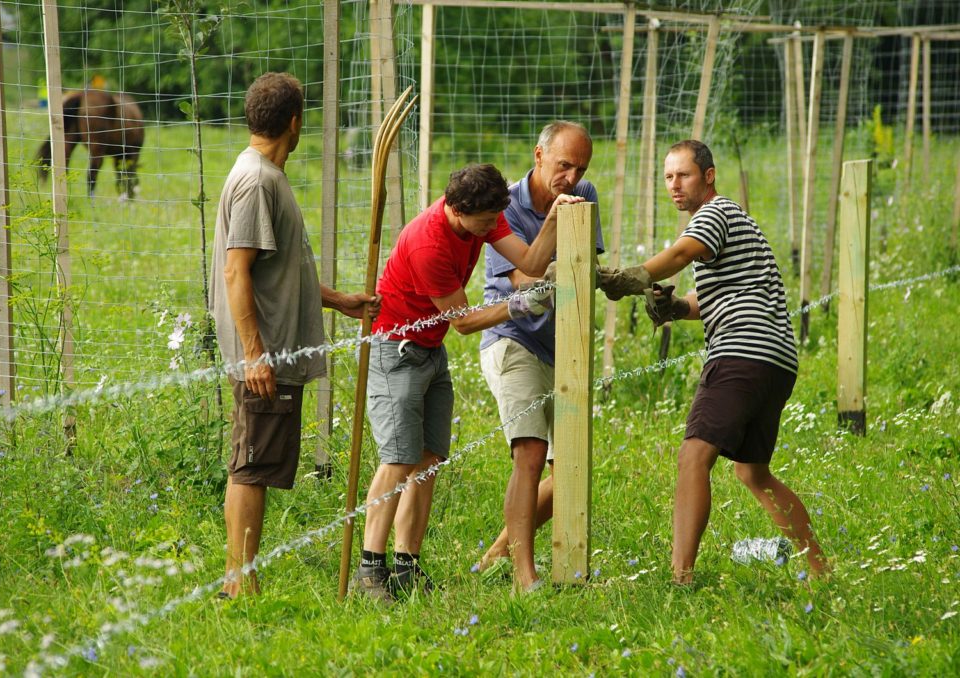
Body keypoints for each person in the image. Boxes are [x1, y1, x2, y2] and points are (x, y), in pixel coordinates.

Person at [352, 163, 584, 602]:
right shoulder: (429, 244)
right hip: (395, 348)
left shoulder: (487, 212)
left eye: (494, 219)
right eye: (482, 223)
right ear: (457, 210)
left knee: (429, 459)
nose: (488, 230)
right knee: (399, 460)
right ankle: (369, 570)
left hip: (430, 351)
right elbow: (463, 322)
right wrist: (517, 306)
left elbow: (530, 261)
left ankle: (406, 566)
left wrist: (552, 218)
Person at [604, 139, 828, 584]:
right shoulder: (731, 223)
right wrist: (674, 309)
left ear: (708, 176)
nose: (674, 185)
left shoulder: (714, 213)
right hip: (776, 359)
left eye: (683, 175)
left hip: (742, 351)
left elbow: (682, 253)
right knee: (753, 472)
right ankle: (820, 569)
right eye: (667, 177)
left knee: (693, 457)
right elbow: (711, 300)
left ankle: (680, 578)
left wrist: (633, 277)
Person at [208, 72, 378, 598]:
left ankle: (243, 576)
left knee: (255, 461)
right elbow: (237, 271)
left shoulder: (261, 173)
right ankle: (240, 583)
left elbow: (278, 270)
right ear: (295, 123)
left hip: (273, 347)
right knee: (252, 466)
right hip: (265, 354)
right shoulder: (258, 181)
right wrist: (256, 355)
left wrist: (339, 300)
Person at [475, 121, 605, 593]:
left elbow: (587, 264)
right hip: (512, 339)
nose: (571, 177)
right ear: (538, 155)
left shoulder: (584, 194)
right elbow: (520, 283)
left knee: (567, 463)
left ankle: (499, 549)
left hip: (563, 346)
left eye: (579, 168)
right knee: (530, 452)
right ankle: (524, 576)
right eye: (563, 165)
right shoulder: (504, 206)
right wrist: (559, 263)